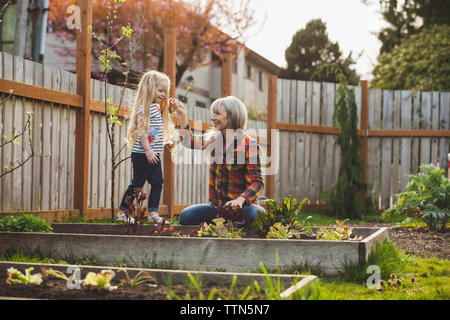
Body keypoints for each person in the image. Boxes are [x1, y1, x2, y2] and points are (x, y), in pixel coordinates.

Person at [170, 95, 266, 225]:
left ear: (232, 117)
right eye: (212, 113)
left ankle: (235, 227)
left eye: (217, 114)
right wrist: (183, 115)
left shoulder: (249, 145)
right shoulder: (214, 139)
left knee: (257, 215)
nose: (212, 118)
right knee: (187, 216)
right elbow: (188, 141)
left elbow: (258, 182)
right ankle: (222, 225)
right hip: (218, 209)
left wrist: (241, 199)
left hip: (243, 208)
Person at [117, 70, 176, 224]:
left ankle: (153, 213)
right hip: (143, 154)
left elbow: (157, 127)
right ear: (149, 88)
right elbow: (142, 131)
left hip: (153, 154)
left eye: (165, 91)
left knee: (157, 182)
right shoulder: (144, 108)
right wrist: (148, 150)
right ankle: (123, 212)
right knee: (137, 183)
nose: (163, 94)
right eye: (160, 90)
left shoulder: (156, 108)